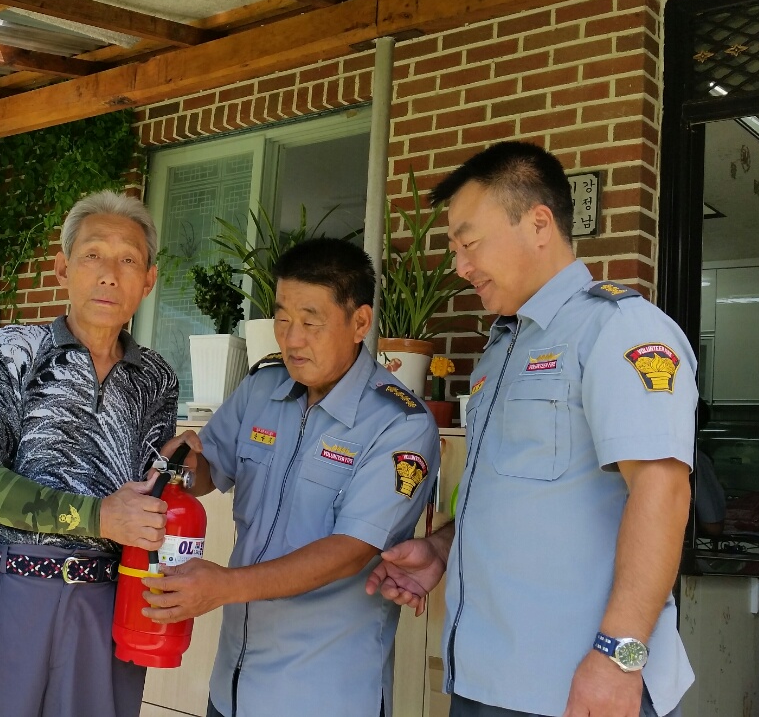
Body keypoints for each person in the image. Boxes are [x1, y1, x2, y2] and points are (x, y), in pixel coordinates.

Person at [366, 141, 696, 717]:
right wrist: (441, 549)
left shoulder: (618, 329)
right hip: (486, 679)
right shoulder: (501, 349)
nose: (460, 267)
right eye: (454, 250)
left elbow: (662, 490)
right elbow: (515, 497)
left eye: (469, 243)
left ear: (539, 224)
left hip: (574, 687)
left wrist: (617, 659)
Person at [143, 237, 440, 717]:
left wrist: (223, 586)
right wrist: (181, 464)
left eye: (310, 322)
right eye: (282, 319)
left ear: (360, 322)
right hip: (232, 686)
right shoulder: (263, 388)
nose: (292, 339)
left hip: (322, 695)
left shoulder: (398, 423)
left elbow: (351, 550)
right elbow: (208, 470)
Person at [0, 190, 179, 717]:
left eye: (128, 260)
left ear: (149, 280)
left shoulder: (157, 379)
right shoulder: (12, 351)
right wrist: (98, 516)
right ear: (63, 267)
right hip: (6, 593)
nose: (109, 275)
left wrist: (182, 471)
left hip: (106, 606)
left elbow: (148, 497)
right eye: (93, 255)